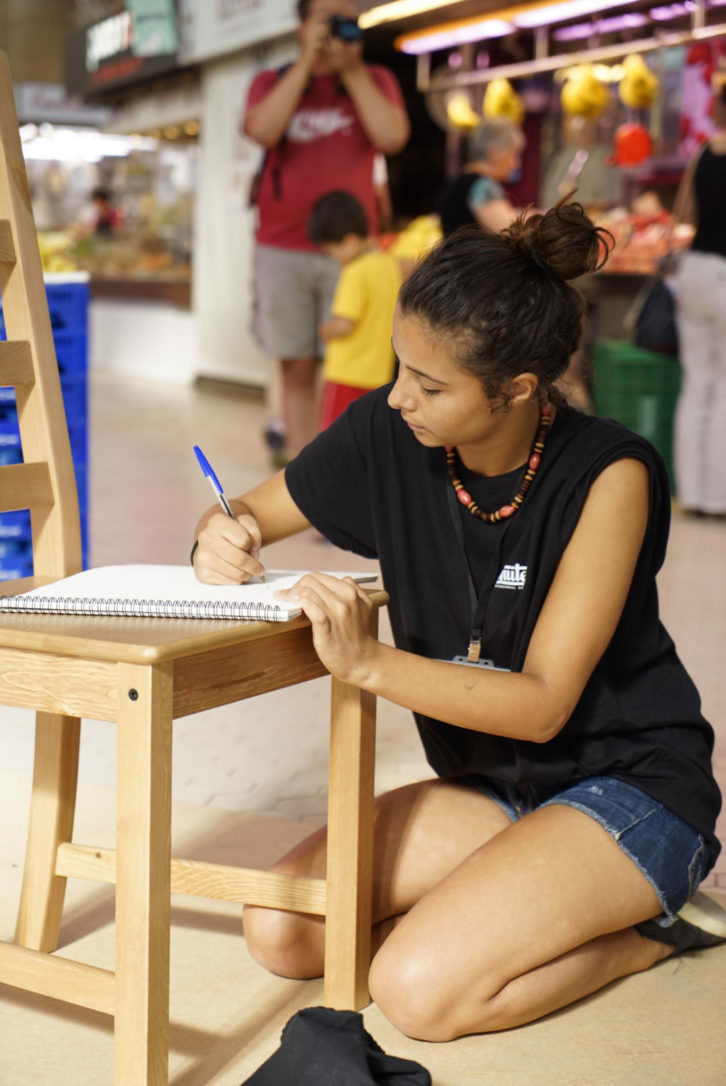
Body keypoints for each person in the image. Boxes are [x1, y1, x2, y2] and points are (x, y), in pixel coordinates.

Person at [192, 199, 725, 1042]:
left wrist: (367, 663)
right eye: (400, 368)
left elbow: (544, 702)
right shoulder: (391, 427)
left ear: (517, 389)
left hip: (626, 785)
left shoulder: (610, 474)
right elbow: (249, 512)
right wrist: (222, 537)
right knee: (282, 928)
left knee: (416, 994)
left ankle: (644, 938)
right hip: (493, 789)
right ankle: (510, 903)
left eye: (430, 385)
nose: (400, 397)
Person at [242, 0, 409, 462]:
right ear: (301, 26)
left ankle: (348, 472)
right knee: (295, 365)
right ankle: (304, 476)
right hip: (281, 245)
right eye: (326, 19)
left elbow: (392, 138)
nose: (338, 28)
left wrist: (351, 71)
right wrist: (305, 65)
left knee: (354, 368)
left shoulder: (376, 80)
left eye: (346, 19)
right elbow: (263, 131)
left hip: (354, 253)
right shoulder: (270, 80)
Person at [671, 74, 726, 515]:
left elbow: (684, 213)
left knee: (696, 384)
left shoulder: (704, 153)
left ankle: (691, 496)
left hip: (695, 271)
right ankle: (719, 497)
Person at [308, 190, 401, 430]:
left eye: (331, 251)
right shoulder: (388, 264)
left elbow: (345, 323)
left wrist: (324, 330)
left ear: (349, 241)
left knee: (332, 436)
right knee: (366, 434)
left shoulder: (355, 272)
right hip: (378, 374)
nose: (334, 259)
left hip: (346, 373)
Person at [437, 116, 525, 237]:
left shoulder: (458, 180)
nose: (516, 164)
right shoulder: (483, 186)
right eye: (513, 155)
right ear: (493, 153)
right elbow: (508, 231)